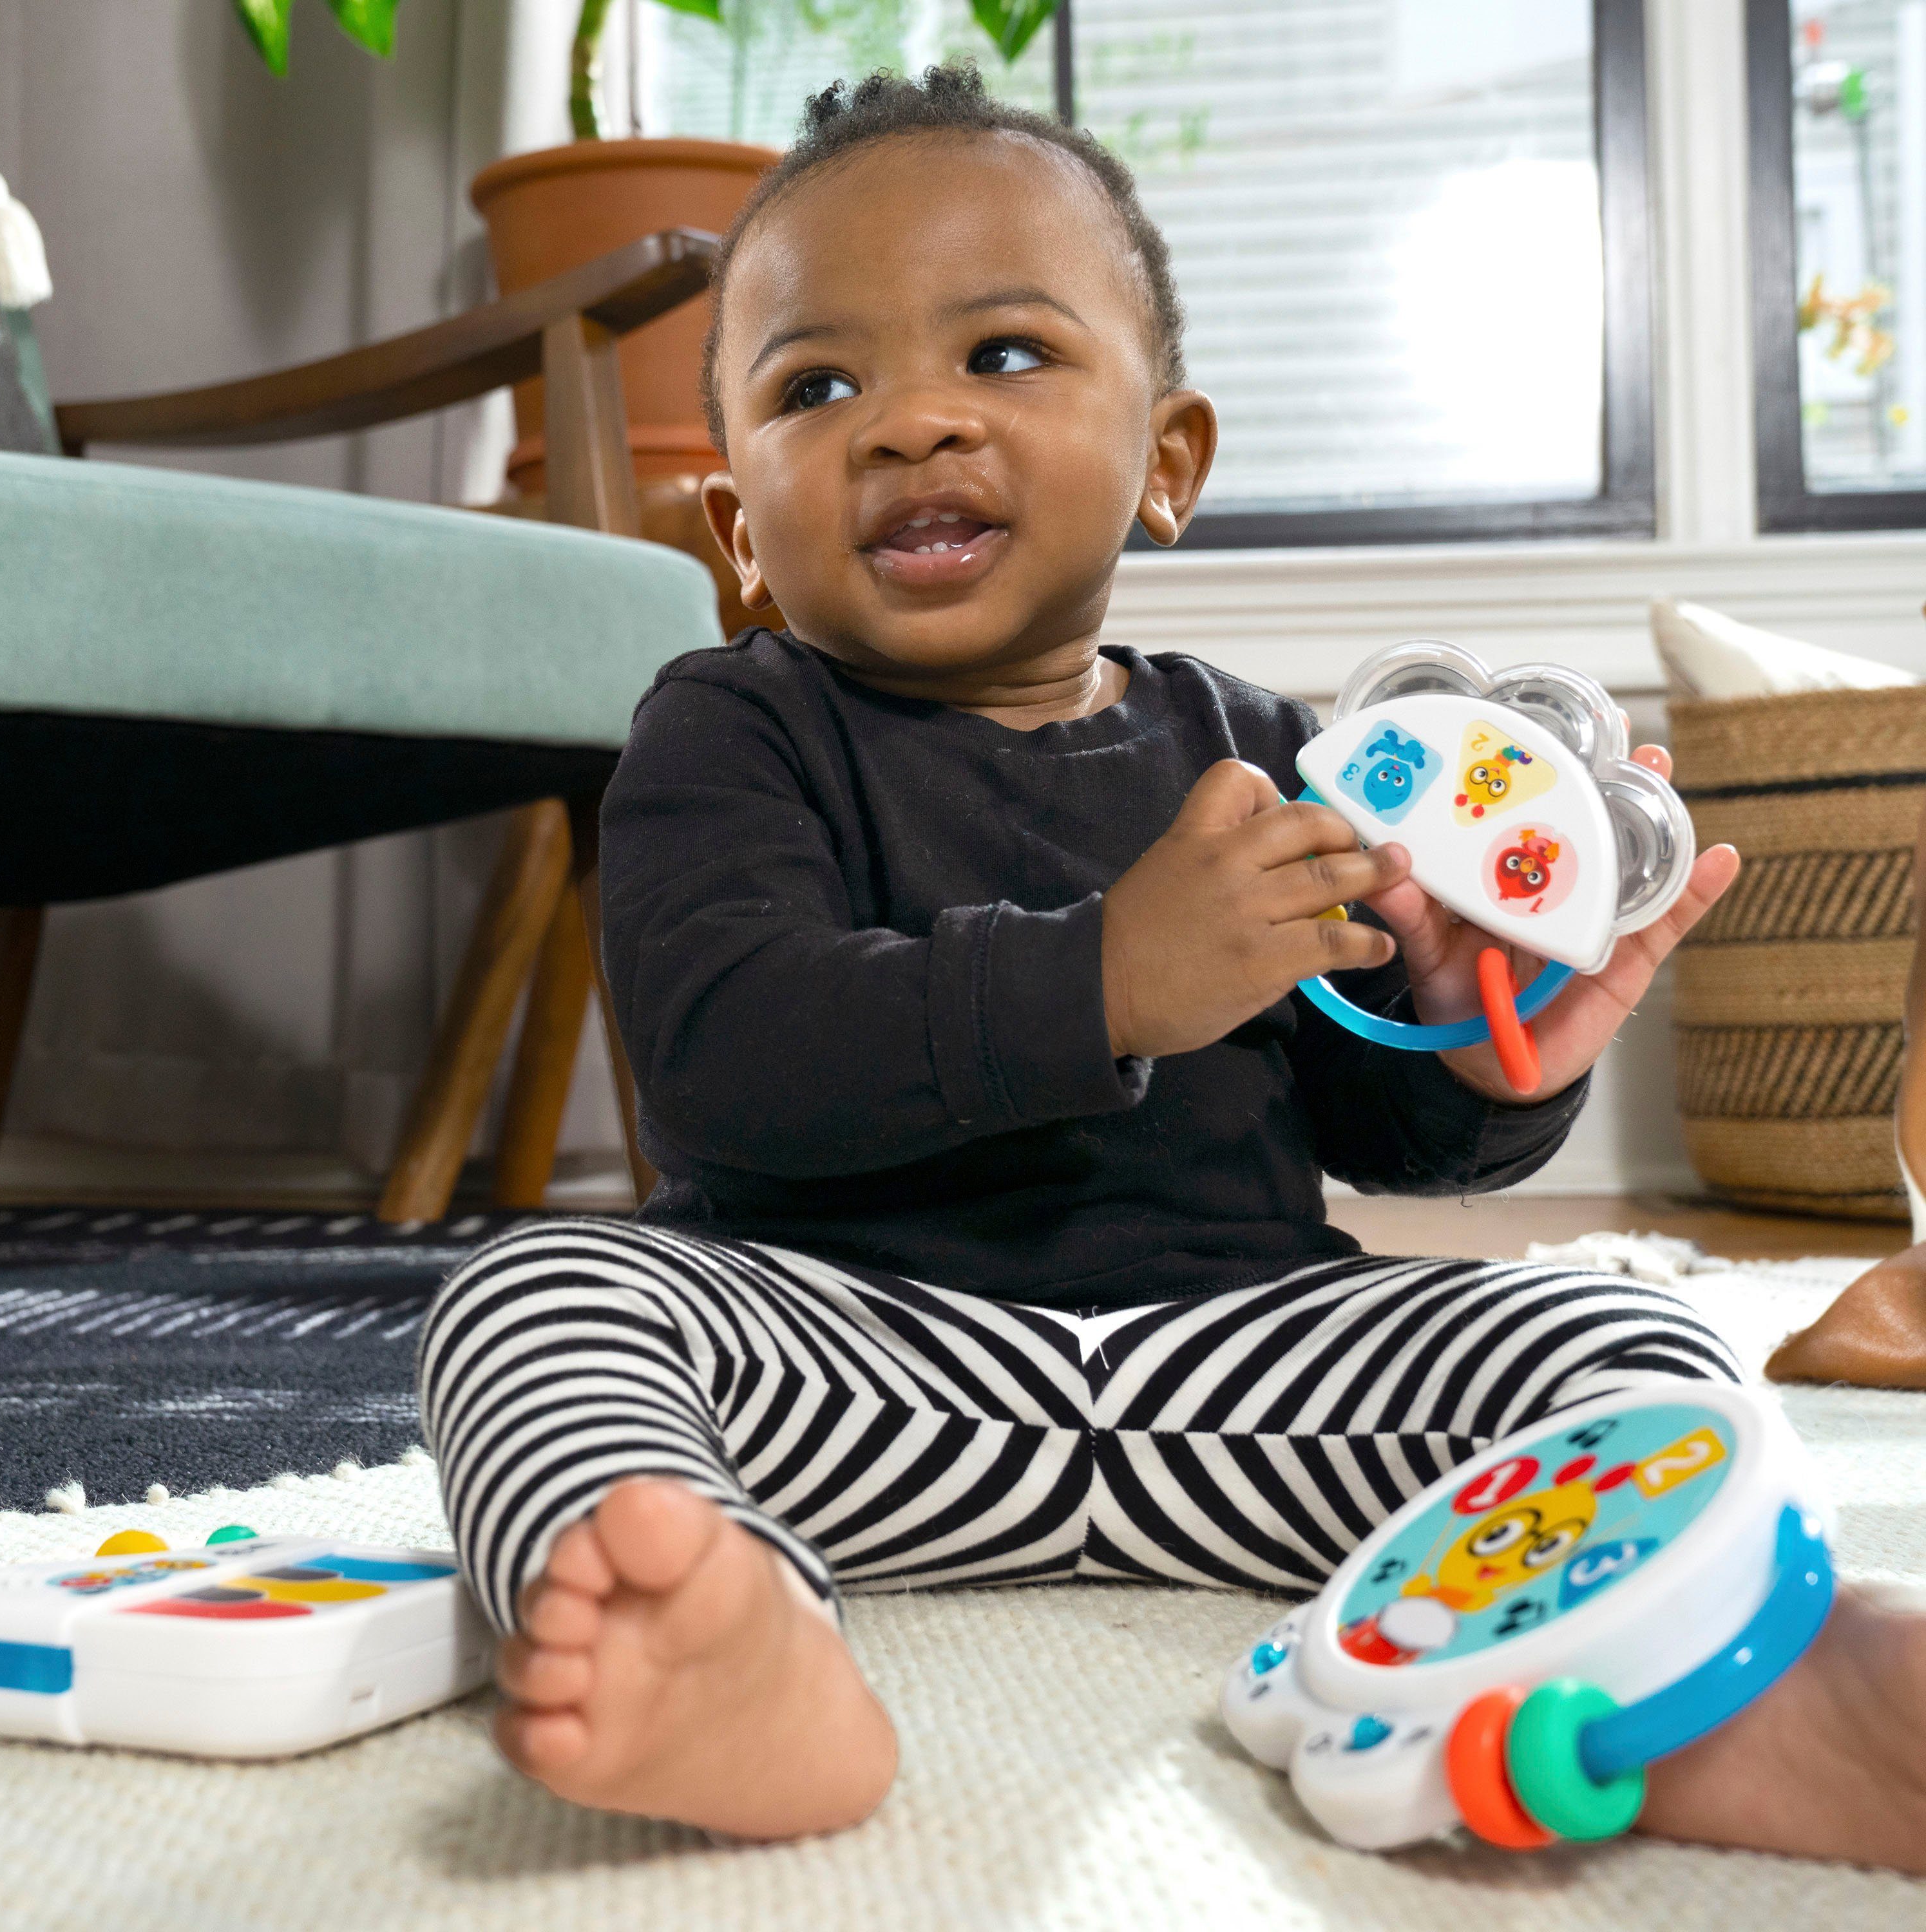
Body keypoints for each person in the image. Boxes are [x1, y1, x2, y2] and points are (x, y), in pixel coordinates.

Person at [418, 66, 1926, 1868]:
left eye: (1002, 357)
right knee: (535, 1301)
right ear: (741, 531)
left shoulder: (1270, 754)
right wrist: (1104, 981)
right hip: (861, 1381)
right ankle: (728, 1628)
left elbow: (1378, 1124)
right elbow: (724, 1059)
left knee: (1617, 1328)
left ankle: (1692, 1688)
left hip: (1255, 1380)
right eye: (818, 387)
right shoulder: (727, 730)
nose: (908, 424)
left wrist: (1471, 1051)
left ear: (1171, 463)